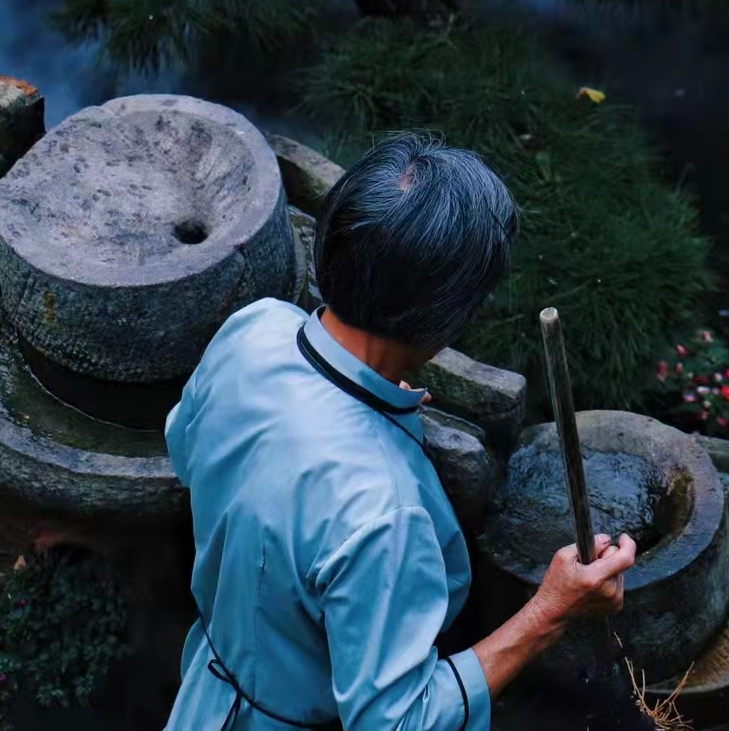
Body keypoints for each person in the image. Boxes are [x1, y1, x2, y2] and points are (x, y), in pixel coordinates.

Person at [164, 132, 637, 730]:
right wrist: (551, 610)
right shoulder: (383, 509)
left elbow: (187, 450)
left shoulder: (255, 330)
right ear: (446, 318)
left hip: (208, 689)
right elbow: (397, 721)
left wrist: (374, 405)